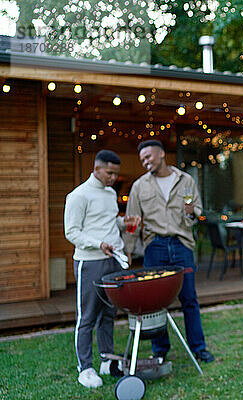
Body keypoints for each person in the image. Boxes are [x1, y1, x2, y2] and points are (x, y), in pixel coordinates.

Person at [124, 139, 214, 363]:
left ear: (161, 153)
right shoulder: (139, 186)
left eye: (148, 157)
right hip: (155, 246)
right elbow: (132, 221)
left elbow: (196, 214)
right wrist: (127, 250)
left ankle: (198, 348)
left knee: (189, 298)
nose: (145, 162)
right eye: (142, 159)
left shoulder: (186, 181)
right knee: (155, 301)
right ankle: (160, 350)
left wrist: (192, 212)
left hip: (182, 244)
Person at [64, 149, 131, 388]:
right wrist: (97, 244)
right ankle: (85, 369)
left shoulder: (110, 194)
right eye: (109, 172)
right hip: (89, 262)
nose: (113, 177)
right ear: (96, 169)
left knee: (109, 314)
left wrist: (124, 223)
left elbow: (108, 221)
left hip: (113, 259)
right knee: (87, 317)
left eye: (116, 173)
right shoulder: (78, 195)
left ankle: (106, 360)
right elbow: (71, 231)